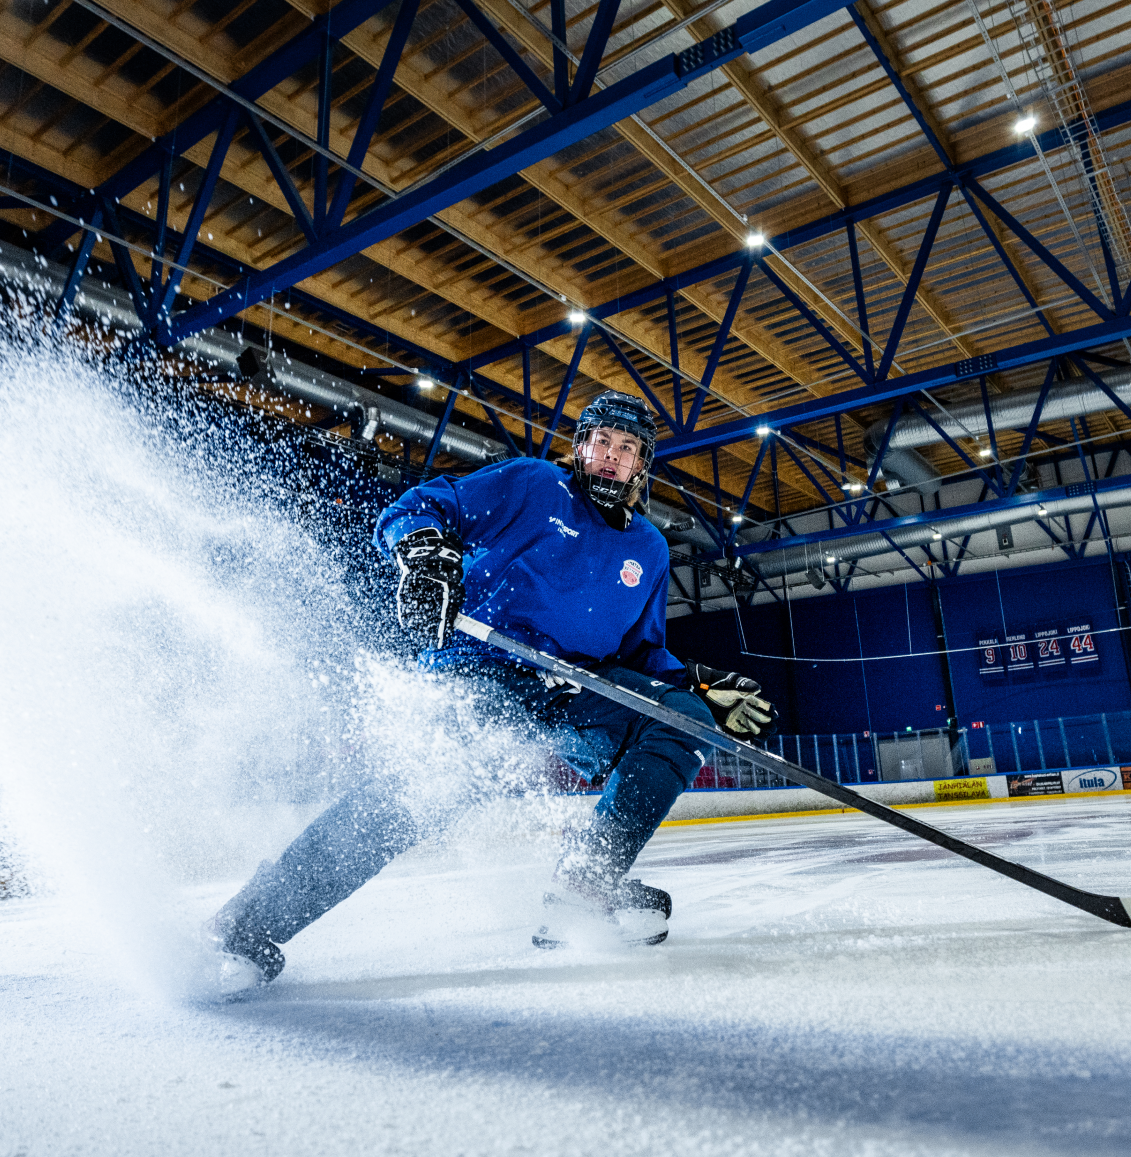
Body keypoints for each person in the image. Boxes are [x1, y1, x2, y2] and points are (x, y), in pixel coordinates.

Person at [210, 391, 774, 988]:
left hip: (572, 688)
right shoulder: (534, 486)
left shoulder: (649, 550)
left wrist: (696, 684)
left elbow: (639, 654)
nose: (612, 456)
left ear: (641, 466)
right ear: (581, 448)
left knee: (680, 718)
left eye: (627, 448)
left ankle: (584, 882)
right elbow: (423, 505)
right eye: (601, 442)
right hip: (481, 670)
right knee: (419, 793)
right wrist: (424, 556)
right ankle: (249, 925)